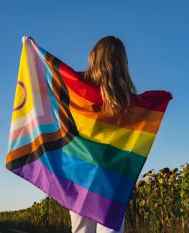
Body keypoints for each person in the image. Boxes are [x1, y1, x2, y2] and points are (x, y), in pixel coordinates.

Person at [70, 36, 137, 233]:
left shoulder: (79, 90)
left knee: (81, 230)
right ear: (121, 62)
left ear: (94, 59)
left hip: (80, 173)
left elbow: (52, 80)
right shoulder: (129, 101)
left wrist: (33, 53)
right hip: (113, 176)